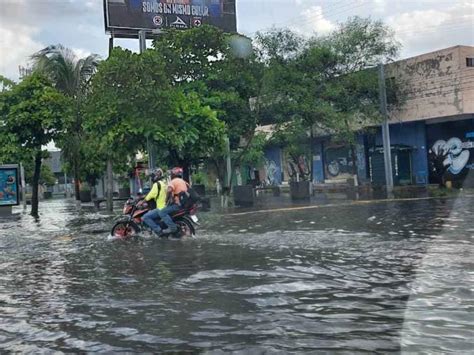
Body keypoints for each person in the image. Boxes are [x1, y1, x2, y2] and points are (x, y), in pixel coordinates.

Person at [157, 167, 188, 235]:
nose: (170, 175)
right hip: (184, 204)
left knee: (162, 212)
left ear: (173, 175)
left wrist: (166, 200)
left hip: (177, 205)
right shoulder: (183, 181)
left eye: (171, 174)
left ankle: (172, 228)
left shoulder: (173, 181)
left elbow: (169, 191)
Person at [142, 168, 167, 235]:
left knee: (145, 217)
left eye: (156, 175)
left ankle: (158, 230)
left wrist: (142, 201)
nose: (154, 177)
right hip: (164, 206)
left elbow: (150, 195)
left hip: (160, 207)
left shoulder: (157, 184)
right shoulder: (164, 183)